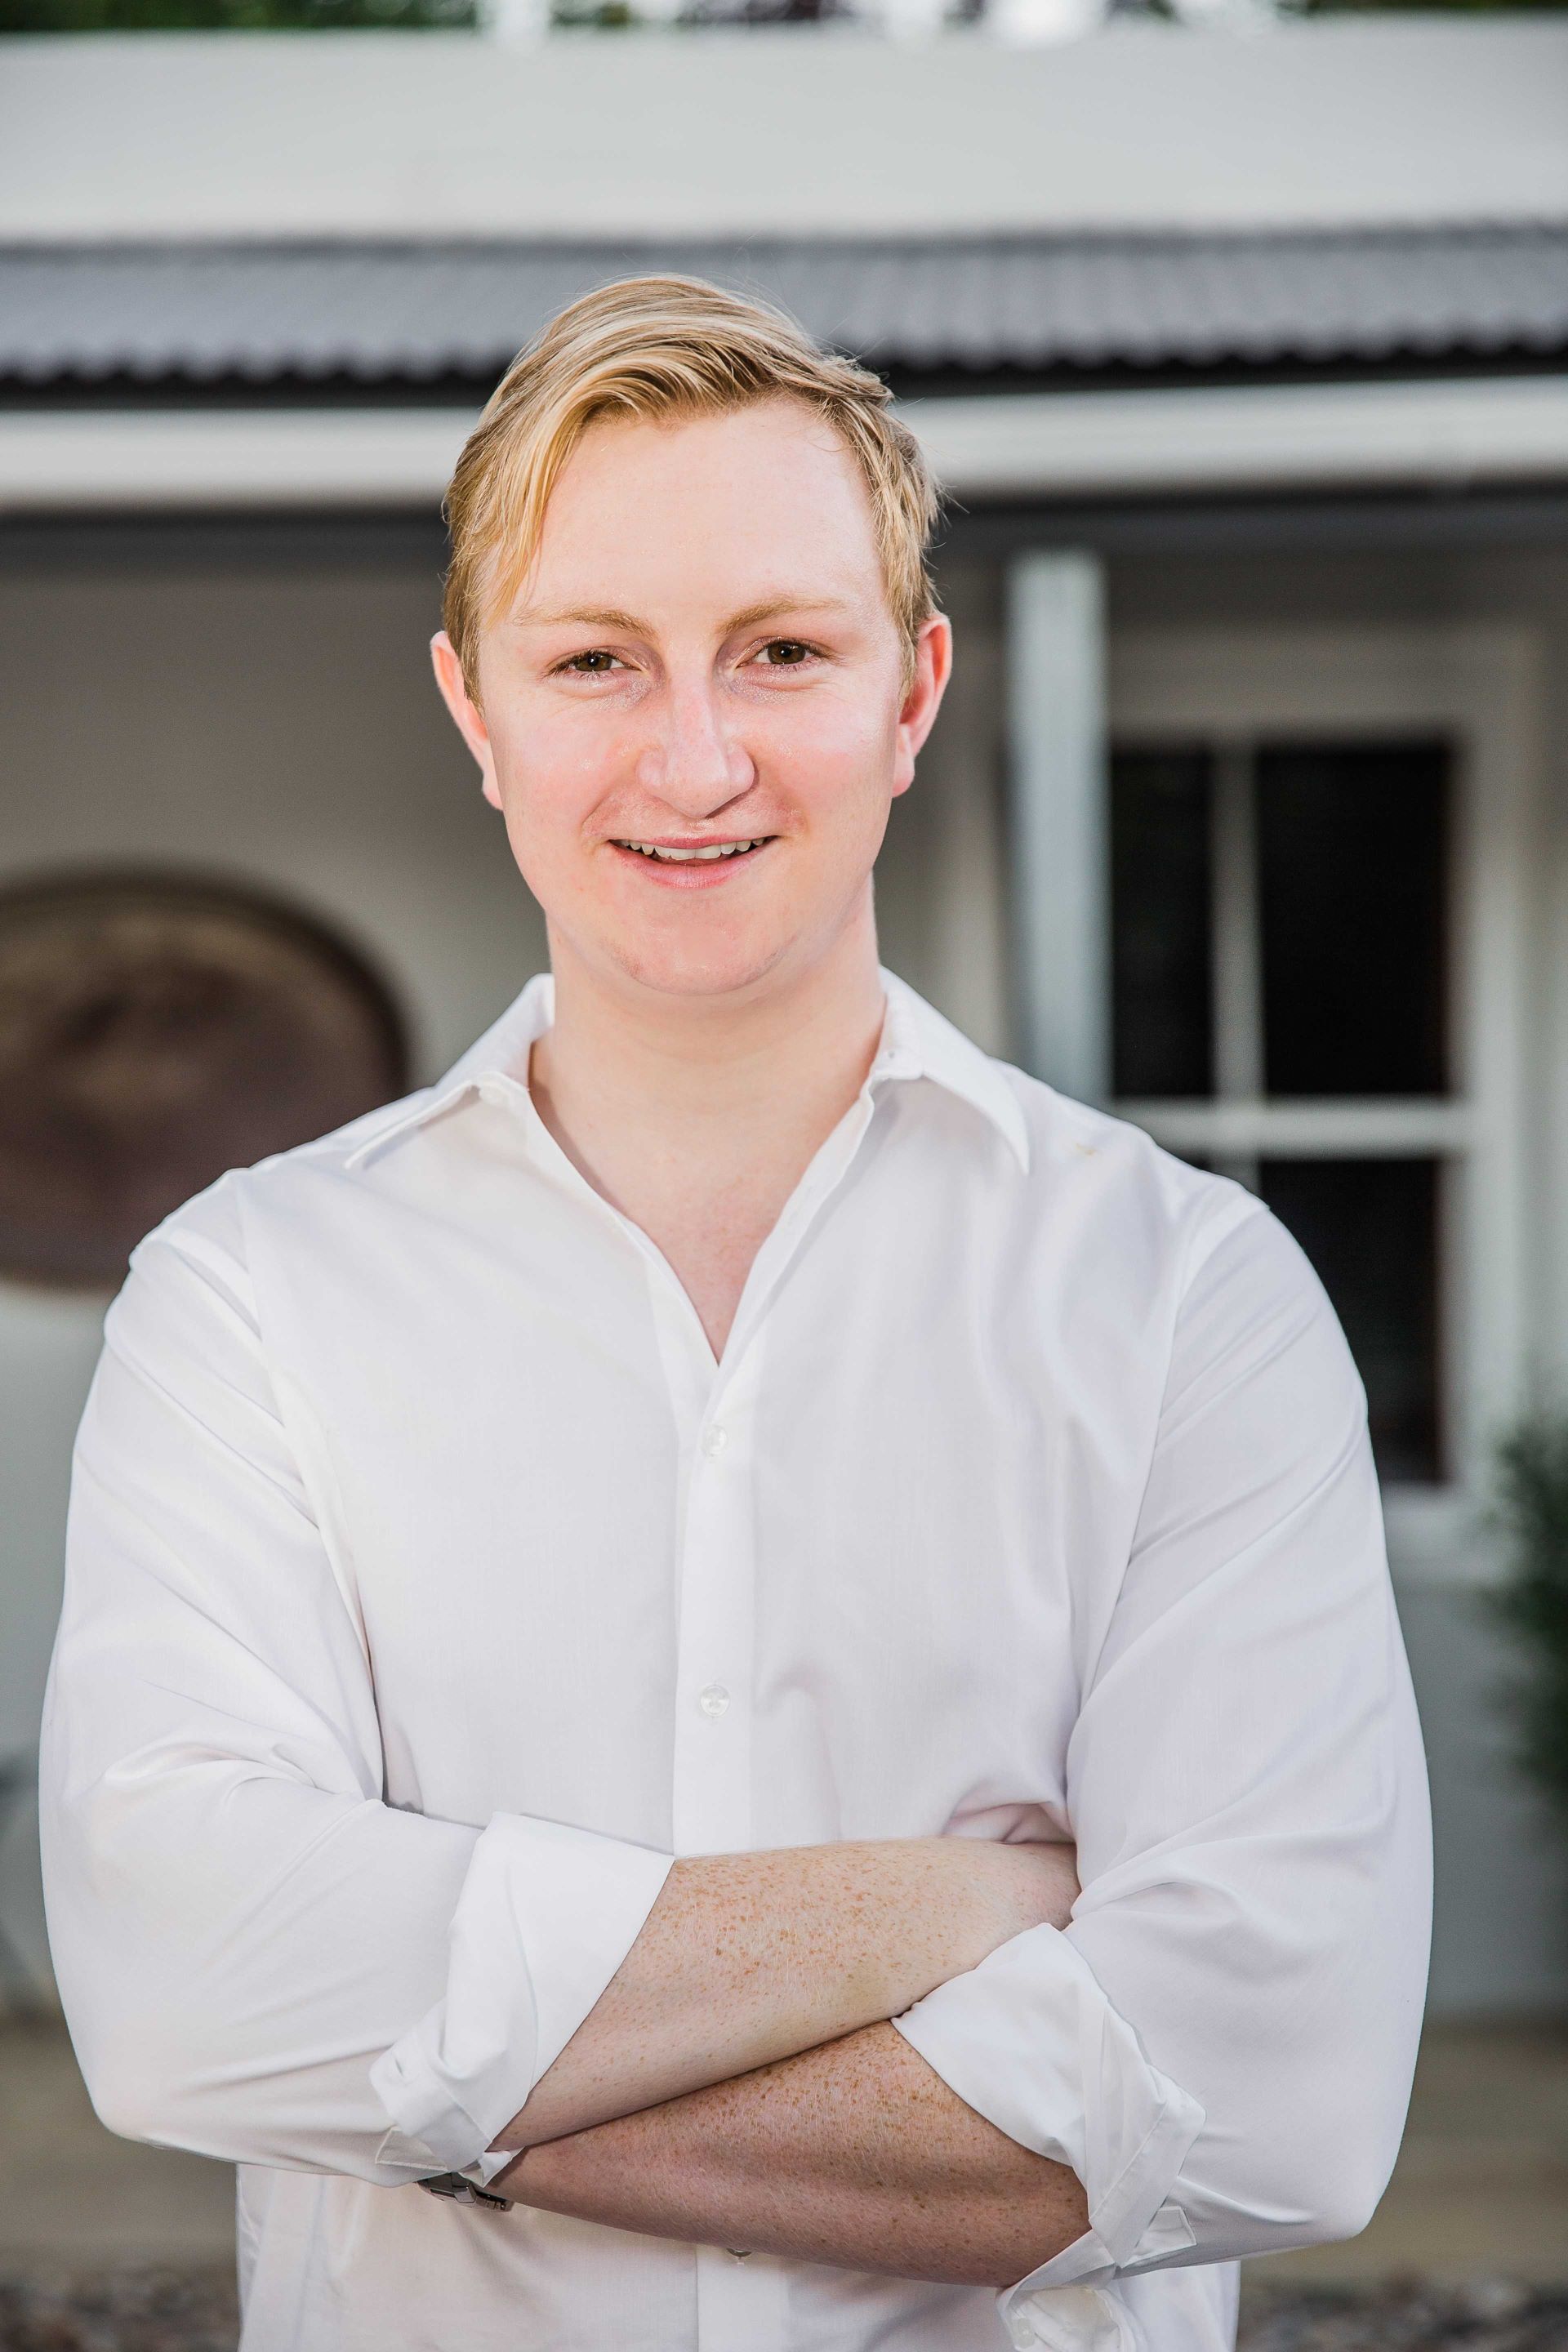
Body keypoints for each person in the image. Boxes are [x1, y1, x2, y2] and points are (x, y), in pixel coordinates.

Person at [39, 277, 1431, 2352]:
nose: (692, 757)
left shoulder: (1184, 1298)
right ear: (475, 712)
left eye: (781, 650)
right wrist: (955, 1915)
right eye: (596, 660)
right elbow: (177, 1992)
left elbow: (1274, 2098)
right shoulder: (250, 1297)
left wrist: (424, 2093)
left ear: (914, 691)